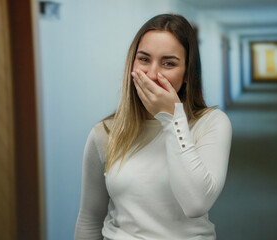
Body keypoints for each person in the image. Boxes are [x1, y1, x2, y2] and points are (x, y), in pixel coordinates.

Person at [74, 13, 232, 240]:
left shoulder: (211, 123)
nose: (152, 73)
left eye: (168, 63)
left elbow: (196, 203)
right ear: (132, 63)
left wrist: (172, 118)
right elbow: (89, 219)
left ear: (187, 73)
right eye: (144, 59)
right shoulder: (105, 133)